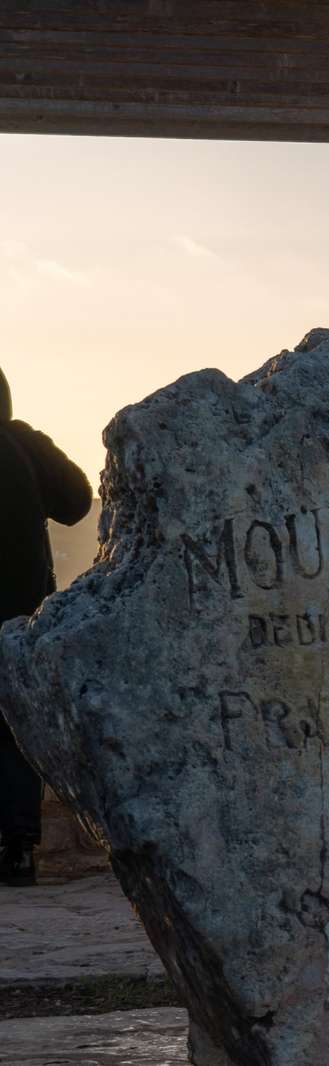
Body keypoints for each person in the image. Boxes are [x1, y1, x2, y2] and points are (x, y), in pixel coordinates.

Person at [0, 368, 93, 887]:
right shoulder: (23, 445)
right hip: (19, 611)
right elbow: (77, 503)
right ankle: (17, 848)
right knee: (11, 731)